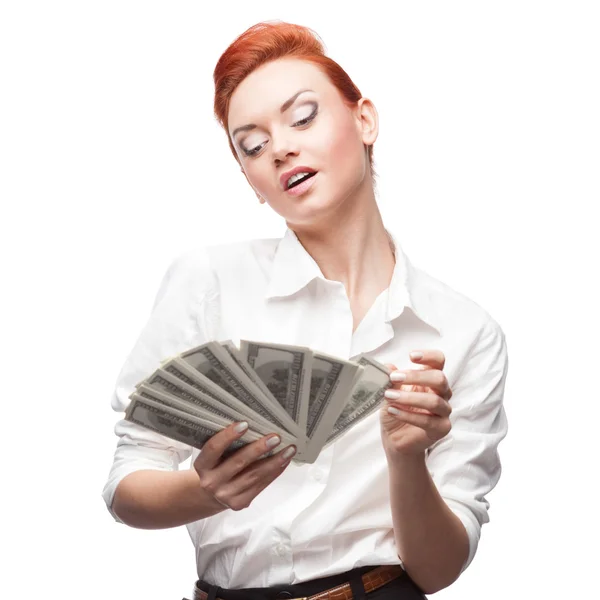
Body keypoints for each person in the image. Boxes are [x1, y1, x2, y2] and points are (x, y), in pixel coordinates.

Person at [102, 20, 509, 600]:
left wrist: (406, 457)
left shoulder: (465, 331)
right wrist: (204, 489)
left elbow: (440, 568)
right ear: (250, 179)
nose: (282, 148)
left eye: (302, 116)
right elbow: (125, 484)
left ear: (364, 120)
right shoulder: (209, 283)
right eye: (253, 145)